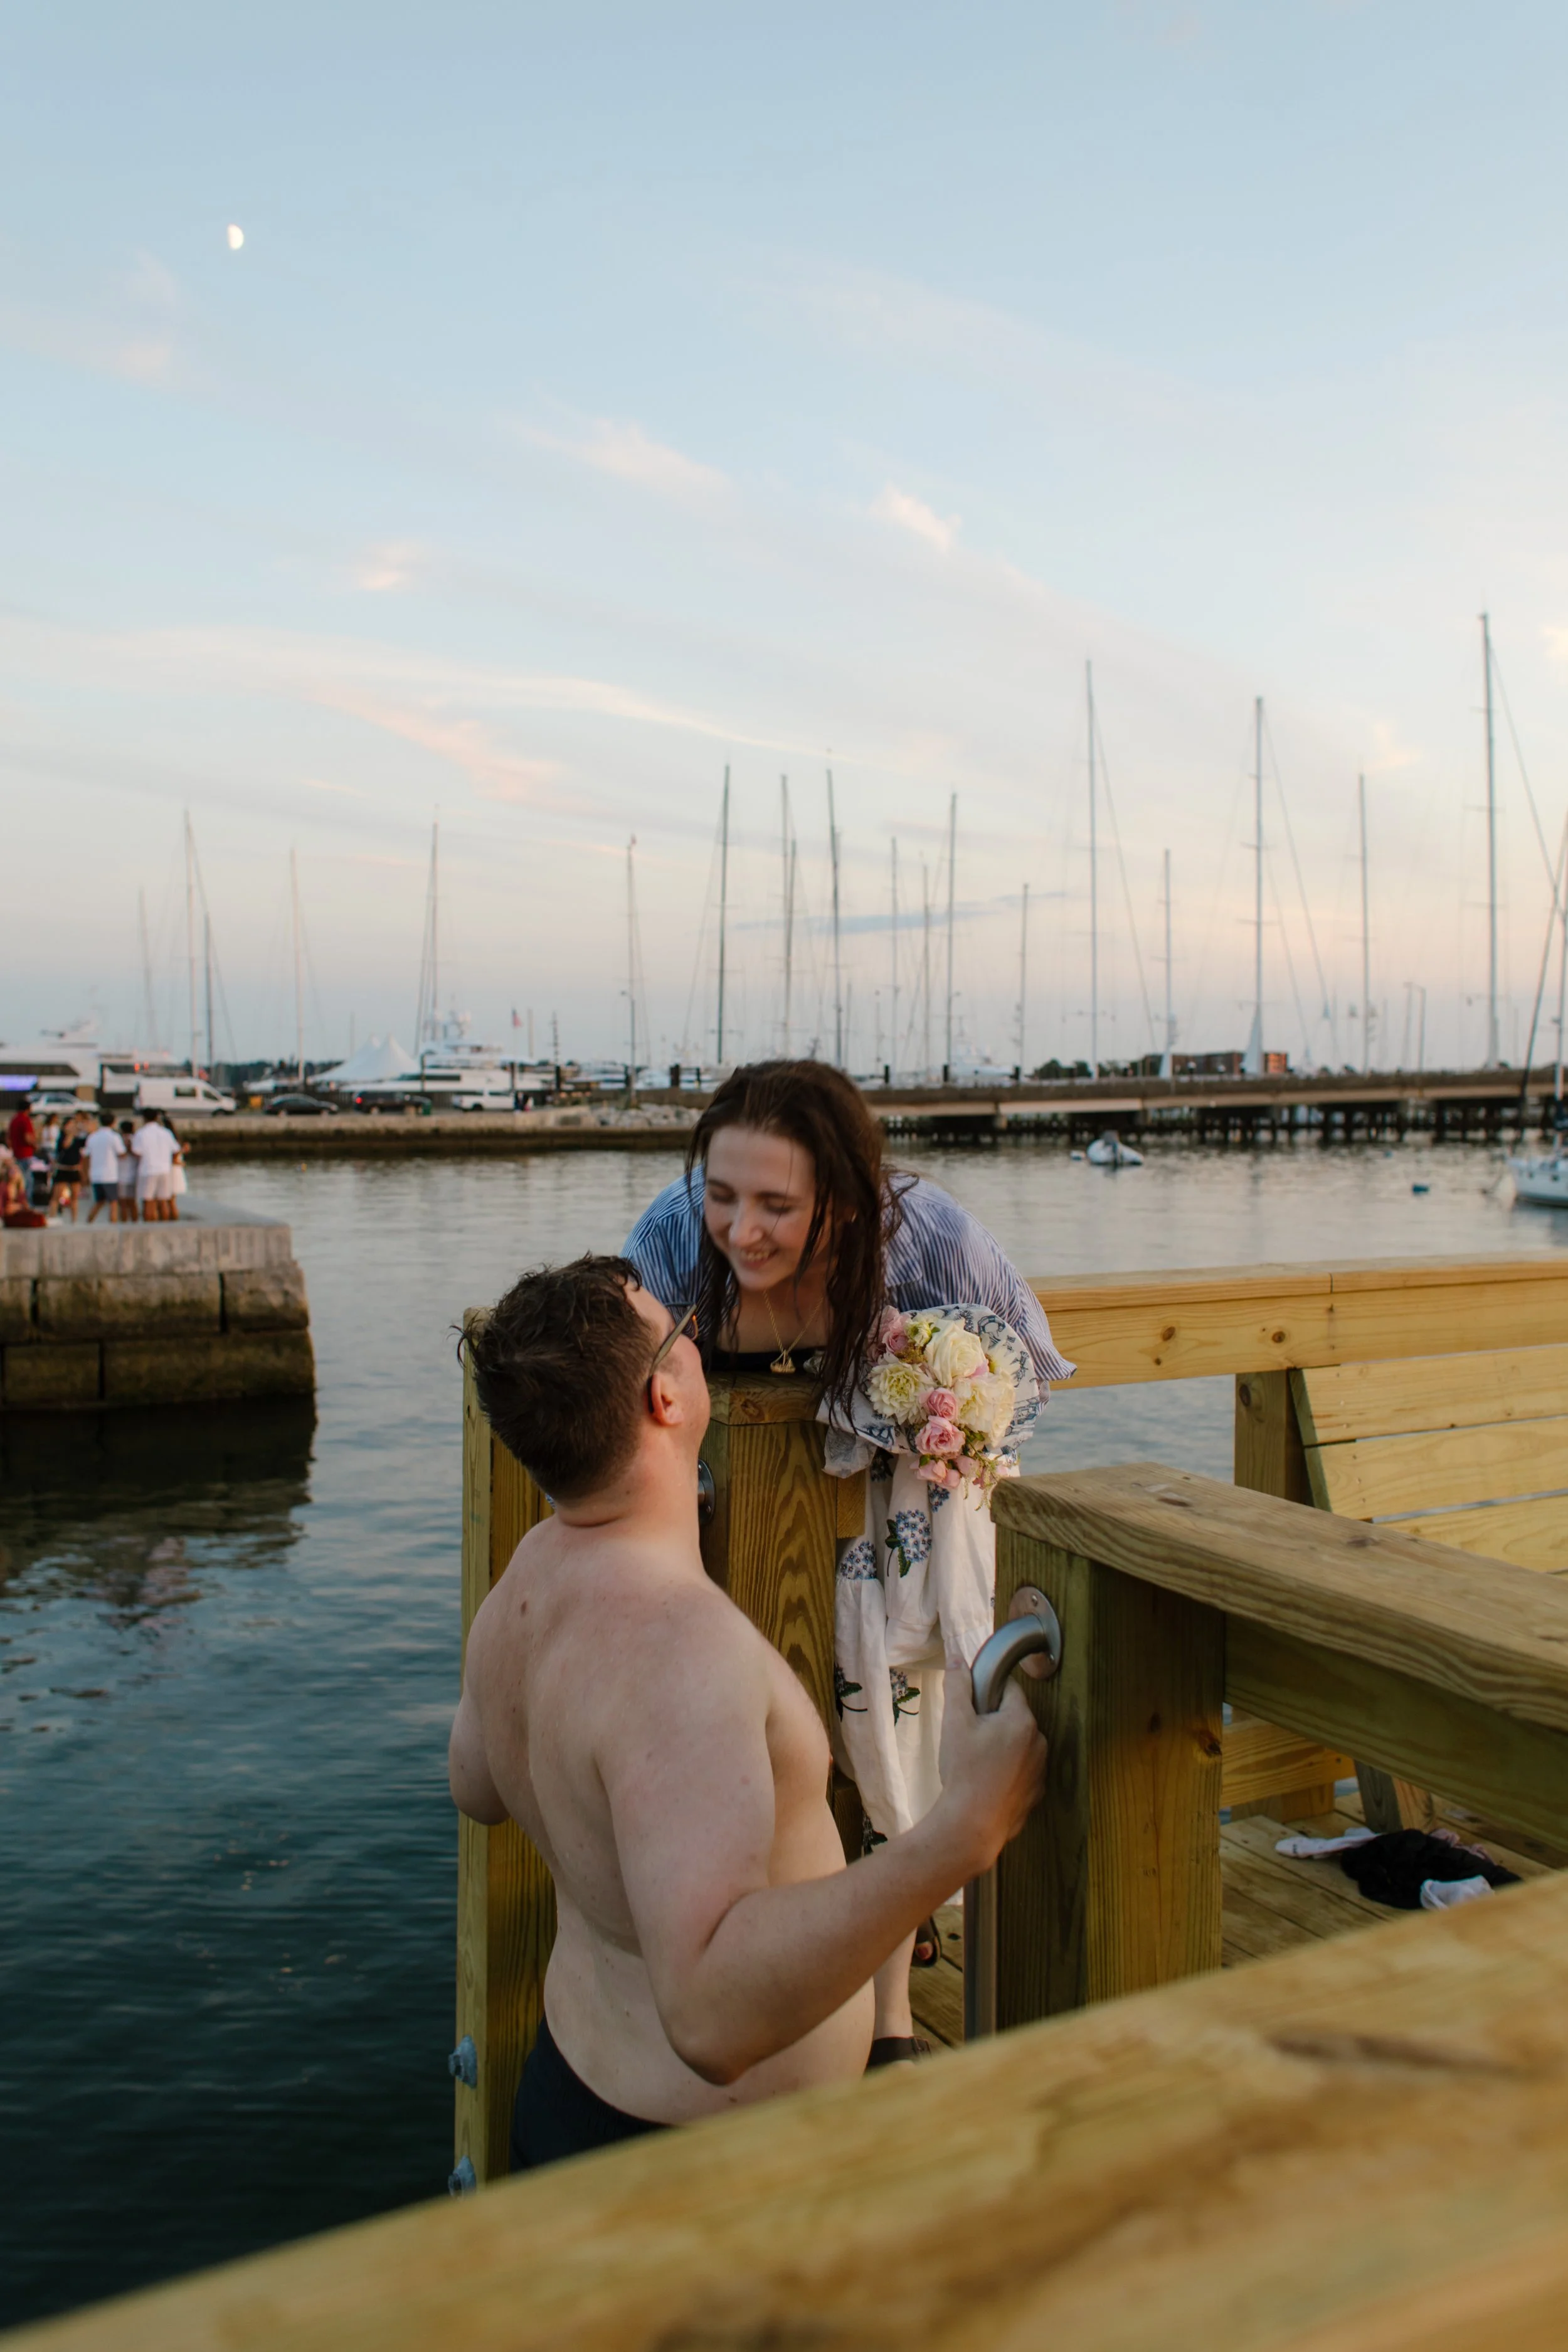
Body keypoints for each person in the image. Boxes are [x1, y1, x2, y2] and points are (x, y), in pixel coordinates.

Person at [452, 1257, 1045, 2169]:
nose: (697, 1338)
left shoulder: (529, 1575)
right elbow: (711, 2016)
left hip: (573, 2094)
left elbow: (477, 1783)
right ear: (665, 1398)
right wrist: (963, 1832)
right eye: (681, 1328)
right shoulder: (682, 1652)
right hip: (699, 2174)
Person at [622, 1059, 1074, 2057]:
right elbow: (623, 1394)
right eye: (725, 1195)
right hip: (735, 1547)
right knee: (755, 1770)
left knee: (886, 1751)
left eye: (777, 1205)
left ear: (846, 1194)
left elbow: (1032, 1368)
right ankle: (736, 1985)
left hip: (896, 1547)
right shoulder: (669, 1237)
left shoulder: (933, 1237)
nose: (741, 1230)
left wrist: (941, 1411)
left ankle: (888, 2015)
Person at [131, 1110, 176, 1222]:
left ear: (144, 1119)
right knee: (163, 1200)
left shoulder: (141, 1133)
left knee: (148, 1201)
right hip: (165, 1170)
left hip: (148, 1169)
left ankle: (149, 1227)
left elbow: (137, 1152)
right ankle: (165, 1225)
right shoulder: (166, 1132)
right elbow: (175, 1149)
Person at [83, 1113, 127, 1224]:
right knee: (113, 1202)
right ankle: (113, 1225)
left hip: (95, 1175)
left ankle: (88, 1222)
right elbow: (122, 1154)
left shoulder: (92, 1137)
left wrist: (85, 1174)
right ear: (113, 1123)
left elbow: (87, 1156)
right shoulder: (114, 1137)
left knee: (99, 1201)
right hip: (110, 1175)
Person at [50, 1115, 86, 1222]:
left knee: (75, 1197)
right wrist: (70, 1134)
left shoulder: (78, 1139)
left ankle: (74, 1220)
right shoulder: (61, 1138)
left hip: (74, 1169)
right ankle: (52, 1218)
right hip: (63, 1169)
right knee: (56, 1196)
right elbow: (65, 1146)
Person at [114, 1119, 139, 1224]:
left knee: (123, 1204)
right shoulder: (136, 1139)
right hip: (134, 1174)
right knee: (133, 1203)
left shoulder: (118, 1140)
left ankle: (124, 1224)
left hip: (121, 1175)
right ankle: (135, 1224)